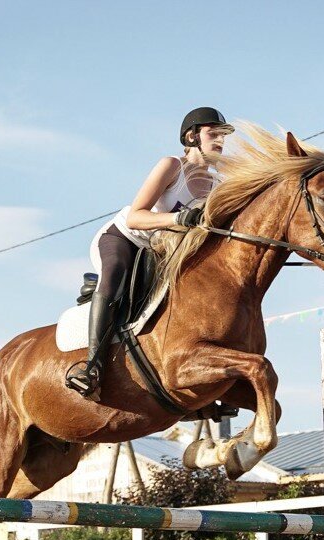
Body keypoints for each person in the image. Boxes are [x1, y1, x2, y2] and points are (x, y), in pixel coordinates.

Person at [65, 107, 234, 401]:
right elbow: (136, 217)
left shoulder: (217, 185)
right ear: (192, 136)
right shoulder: (171, 166)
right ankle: (91, 365)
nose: (220, 140)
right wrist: (176, 220)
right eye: (213, 134)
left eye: (222, 136)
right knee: (116, 272)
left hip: (163, 254)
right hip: (125, 239)